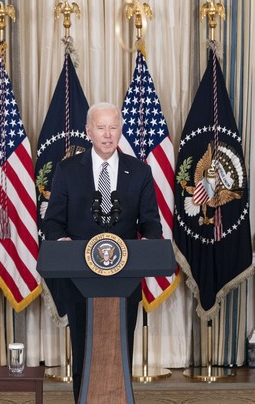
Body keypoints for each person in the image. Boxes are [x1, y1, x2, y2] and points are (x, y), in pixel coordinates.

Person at [40, 101, 161, 402]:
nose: (107, 134)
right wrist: (62, 242)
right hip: (80, 280)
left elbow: (151, 225)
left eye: (113, 127)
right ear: (88, 131)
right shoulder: (68, 170)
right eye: (101, 127)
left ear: (121, 131)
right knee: (84, 349)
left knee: (120, 347)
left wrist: (149, 242)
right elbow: (53, 222)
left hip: (125, 280)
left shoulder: (140, 172)